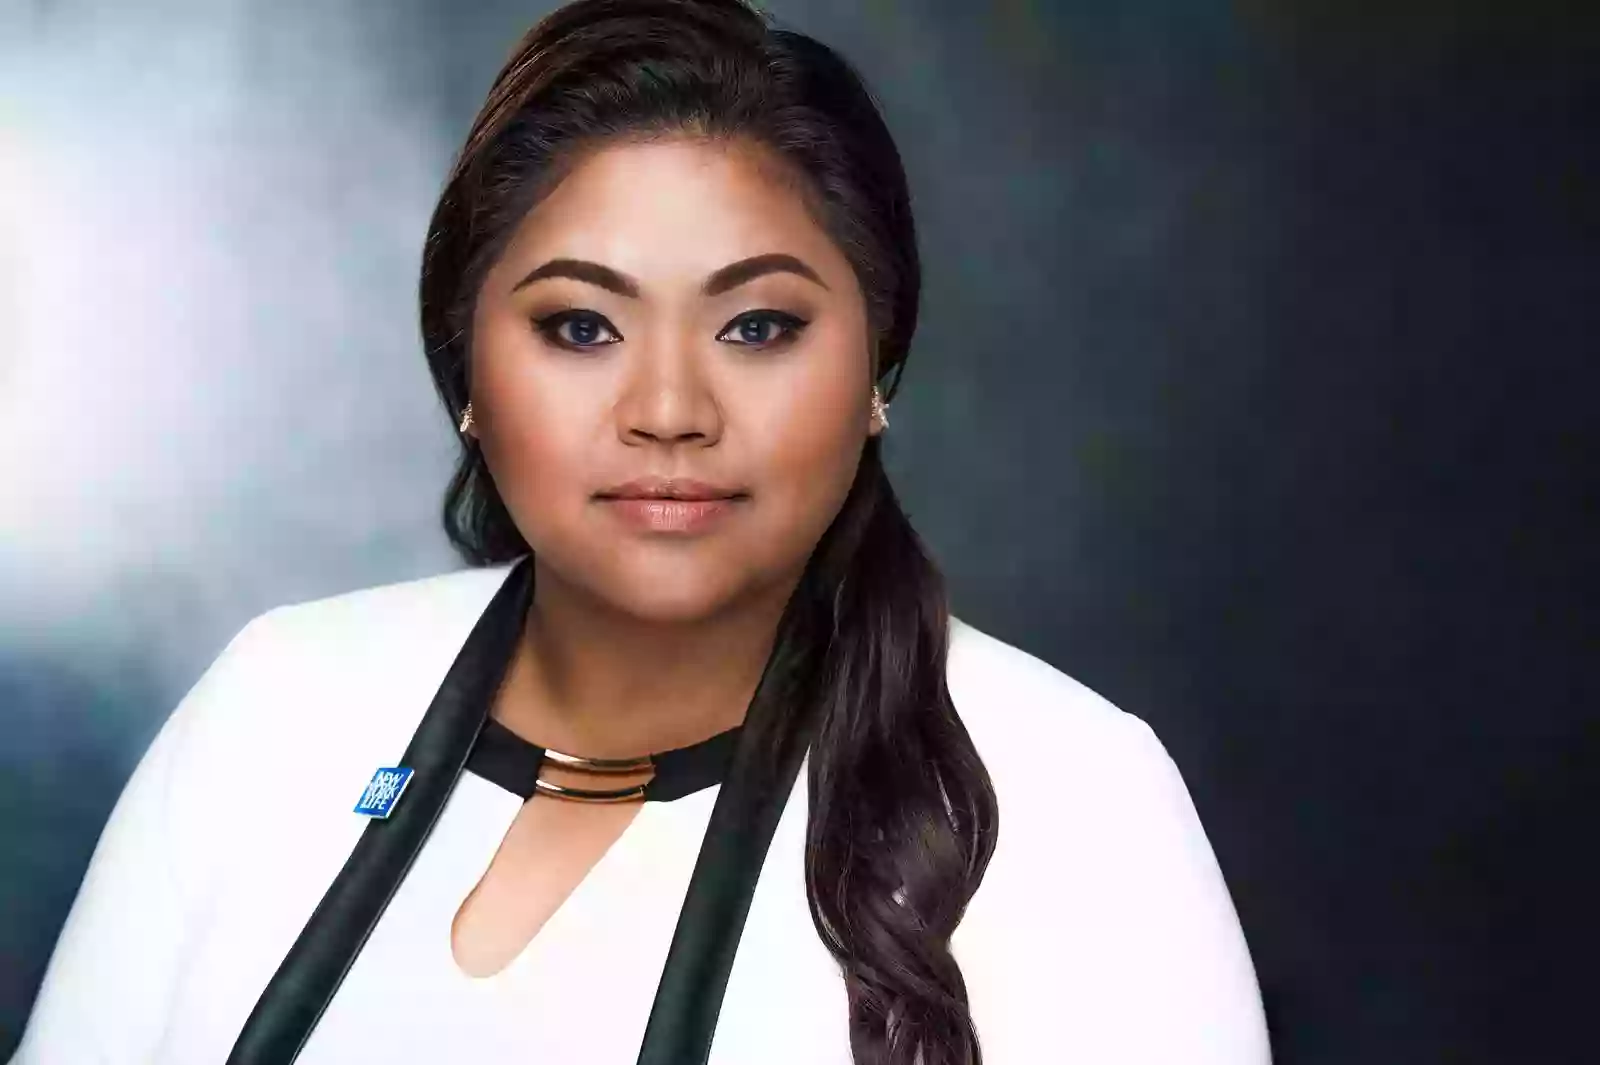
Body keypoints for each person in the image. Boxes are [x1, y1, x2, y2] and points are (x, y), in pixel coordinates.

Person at [11, 1, 1270, 1062]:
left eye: (757, 327)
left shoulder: (1072, 800)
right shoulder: (275, 708)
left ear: (877, 367)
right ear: (464, 366)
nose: (668, 409)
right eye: (580, 327)